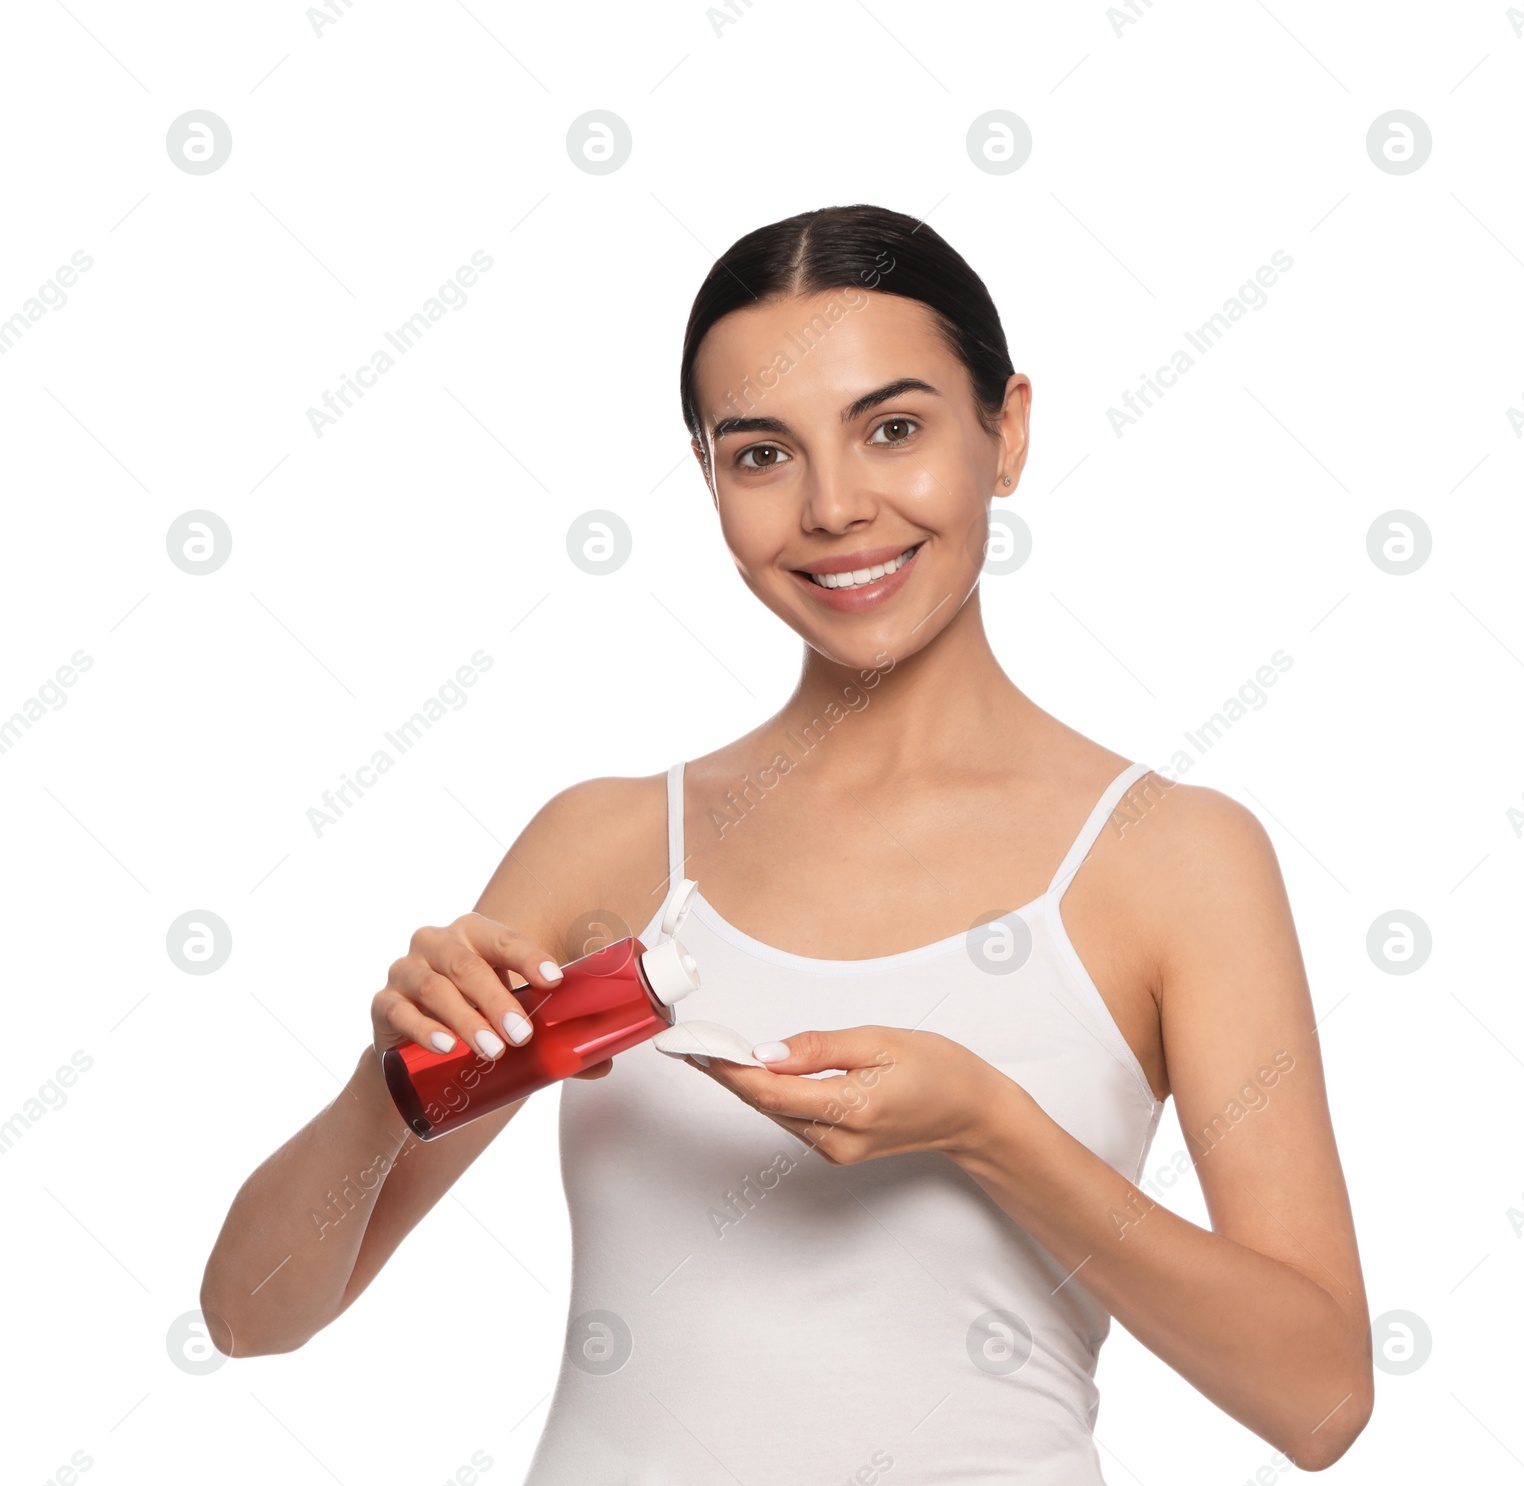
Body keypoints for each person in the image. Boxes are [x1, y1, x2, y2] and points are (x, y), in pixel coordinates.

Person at [201, 203, 1373, 1483]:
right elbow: (252, 1316)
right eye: (761, 454)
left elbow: (1316, 1402)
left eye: (894, 429)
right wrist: (389, 1087)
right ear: (708, 476)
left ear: (1009, 431)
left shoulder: (1169, 858)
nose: (833, 506)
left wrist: (992, 1130)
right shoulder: (605, 847)